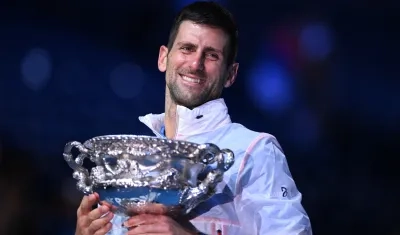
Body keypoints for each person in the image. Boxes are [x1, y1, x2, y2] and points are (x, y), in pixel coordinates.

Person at [74, 1, 312, 234]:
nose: (196, 63)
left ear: (230, 74)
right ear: (163, 58)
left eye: (211, 56)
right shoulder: (135, 159)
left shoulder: (254, 151)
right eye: (187, 48)